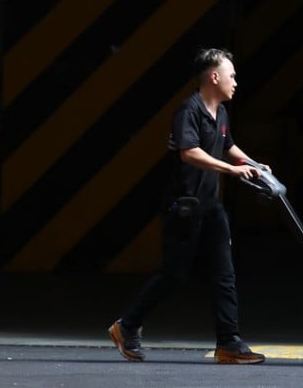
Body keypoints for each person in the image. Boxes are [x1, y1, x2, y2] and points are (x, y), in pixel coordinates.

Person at [108, 48, 268, 364]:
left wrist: (252, 163)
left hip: (211, 208)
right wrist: (232, 170)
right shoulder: (189, 110)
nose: (235, 81)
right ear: (214, 76)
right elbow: (189, 152)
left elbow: (227, 145)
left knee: (224, 273)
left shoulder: (220, 113)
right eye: (231, 75)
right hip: (184, 208)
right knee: (174, 274)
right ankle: (127, 326)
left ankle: (229, 343)